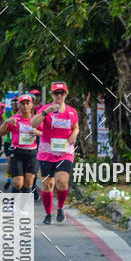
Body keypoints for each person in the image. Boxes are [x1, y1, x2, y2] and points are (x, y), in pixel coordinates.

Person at [31, 81, 79, 224]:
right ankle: (47, 213)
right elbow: (33, 124)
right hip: (46, 152)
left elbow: (75, 127)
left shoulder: (71, 111)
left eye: (62, 93)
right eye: (56, 93)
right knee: (47, 185)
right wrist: (46, 112)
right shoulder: (46, 109)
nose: (59, 96)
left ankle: (60, 208)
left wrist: (74, 134)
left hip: (65, 152)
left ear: (66, 94)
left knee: (62, 182)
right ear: (52, 94)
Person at [0, 94, 41, 194]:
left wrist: (37, 132)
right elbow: (0, 133)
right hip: (17, 153)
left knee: (28, 183)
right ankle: (14, 206)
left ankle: (23, 209)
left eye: (27, 103)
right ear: (19, 106)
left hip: (32, 154)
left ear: (32, 105)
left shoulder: (36, 120)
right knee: (18, 183)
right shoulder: (14, 119)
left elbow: (46, 134)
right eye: (22, 104)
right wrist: (6, 123)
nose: (25, 106)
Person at [2, 96, 18, 191]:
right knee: (10, 161)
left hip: (20, 142)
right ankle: (8, 180)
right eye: (13, 103)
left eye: (17, 103)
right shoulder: (6, 114)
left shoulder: (23, 114)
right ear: (11, 104)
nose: (15, 105)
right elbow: (2, 128)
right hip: (9, 141)